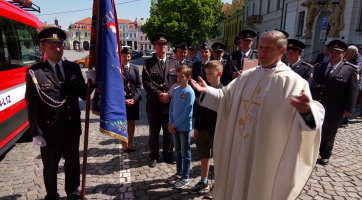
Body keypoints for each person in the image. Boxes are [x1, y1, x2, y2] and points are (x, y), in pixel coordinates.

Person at [190, 30, 325, 200]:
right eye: (261, 47)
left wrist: (306, 111)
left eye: (268, 48)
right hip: (240, 148)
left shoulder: (293, 82)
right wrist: (208, 92)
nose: (262, 51)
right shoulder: (247, 76)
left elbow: (312, 121)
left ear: (281, 51)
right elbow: (226, 99)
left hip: (266, 152)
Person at [25, 27, 96, 200]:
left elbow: (82, 94)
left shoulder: (72, 68)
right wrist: (36, 132)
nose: (57, 49)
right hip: (50, 131)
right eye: (52, 46)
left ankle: (73, 193)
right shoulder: (36, 73)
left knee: (72, 164)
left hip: (71, 128)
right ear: (43, 48)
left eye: (59, 45)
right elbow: (32, 105)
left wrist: (91, 82)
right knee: (50, 166)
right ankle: (51, 195)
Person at [311, 40, 359, 165]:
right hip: (317, 105)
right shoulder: (319, 67)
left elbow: (353, 91)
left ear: (343, 54)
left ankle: (325, 154)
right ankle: (310, 151)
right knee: (313, 128)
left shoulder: (349, 70)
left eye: (337, 53)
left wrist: (349, 109)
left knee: (329, 131)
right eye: (332, 52)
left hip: (335, 107)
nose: (333, 55)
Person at [142, 32, 179, 167]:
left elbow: (177, 81)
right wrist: (159, 94)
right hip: (154, 104)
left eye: (165, 44)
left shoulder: (174, 62)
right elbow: (146, 83)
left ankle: (168, 154)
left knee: (169, 131)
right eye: (160, 44)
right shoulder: (148, 63)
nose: (163, 46)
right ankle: (154, 155)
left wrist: (168, 94)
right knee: (154, 132)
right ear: (155, 46)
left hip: (169, 104)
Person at [189, 61, 223, 198]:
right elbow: (199, 109)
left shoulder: (223, 91)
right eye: (206, 73)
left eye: (210, 73)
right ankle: (204, 181)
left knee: (219, 159)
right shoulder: (204, 88)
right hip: (203, 129)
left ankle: (218, 185)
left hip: (216, 131)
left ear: (219, 73)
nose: (207, 76)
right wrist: (196, 126)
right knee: (204, 156)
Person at [166, 65, 195, 188]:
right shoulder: (176, 90)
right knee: (177, 151)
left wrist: (175, 124)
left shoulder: (190, 92)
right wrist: (170, 124)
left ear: (188, 77)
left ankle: (185, 176)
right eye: (177, 76)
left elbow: (187, 112)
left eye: (181, 77)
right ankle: (178, 173)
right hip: (174, 127)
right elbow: (171, 108)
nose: (178, 79)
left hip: (183, 128)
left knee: (185, 153)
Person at [121, 47, 142, 152]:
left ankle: (130, 143)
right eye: (124, 56)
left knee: (131, 122)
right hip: (122, 101)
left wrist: (134, 99)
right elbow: (115, 87)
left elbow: (139, 86)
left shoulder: (135, 69)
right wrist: (123, 99)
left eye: (128, 56)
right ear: (121, 56)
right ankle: (124, 144)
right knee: (123, 123)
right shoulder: (117, 70)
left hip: (133, 101)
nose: (126, 59)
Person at [339, 45, 362, 127]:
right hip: (348, 81)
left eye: (347, 53)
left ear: (353, 54)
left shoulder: (359, 61)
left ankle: (345, 120)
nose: (346, 55)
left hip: (356, 83)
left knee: (351, 100)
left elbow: (354, 71)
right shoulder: (350, 59)